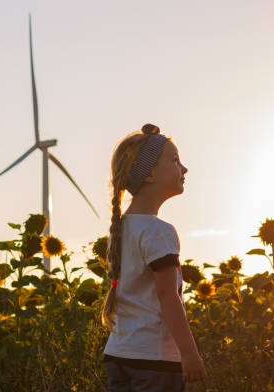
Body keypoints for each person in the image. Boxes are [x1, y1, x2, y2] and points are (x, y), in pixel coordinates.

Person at [101, 123, 207, 391]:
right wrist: (189, 353)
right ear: (148, 174)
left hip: (119, 354)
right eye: (174, 160)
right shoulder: (158, 231)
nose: (184, 168)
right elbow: (167, 296)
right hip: (154, 360)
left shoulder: (121, 228)